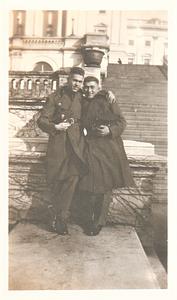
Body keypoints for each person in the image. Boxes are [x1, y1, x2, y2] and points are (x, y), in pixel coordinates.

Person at [77, 76, 135, 236]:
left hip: (108, 148)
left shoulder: (108, 99)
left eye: (92, 87)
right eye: (86, 87)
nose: (89, 90)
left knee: (105, 186)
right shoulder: (81, 101)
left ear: (98, 87)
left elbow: (122, 122)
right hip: (90, 147)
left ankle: (98, 222)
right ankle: (88, 219)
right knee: (88, 184)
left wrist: (110, 131)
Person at [37, 67, 87, 235]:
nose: (77, 84)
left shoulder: (84, 98)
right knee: (57, 182)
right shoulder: (55, 97)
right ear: (68, 79)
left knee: (72, 179)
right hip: (59, 146)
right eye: (75, 80)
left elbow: (99, 104)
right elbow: (42, 120)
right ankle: (56, 215)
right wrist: (55, 126)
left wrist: (110, 96)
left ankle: (61, 219)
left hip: (76, 148)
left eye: (80, 82)